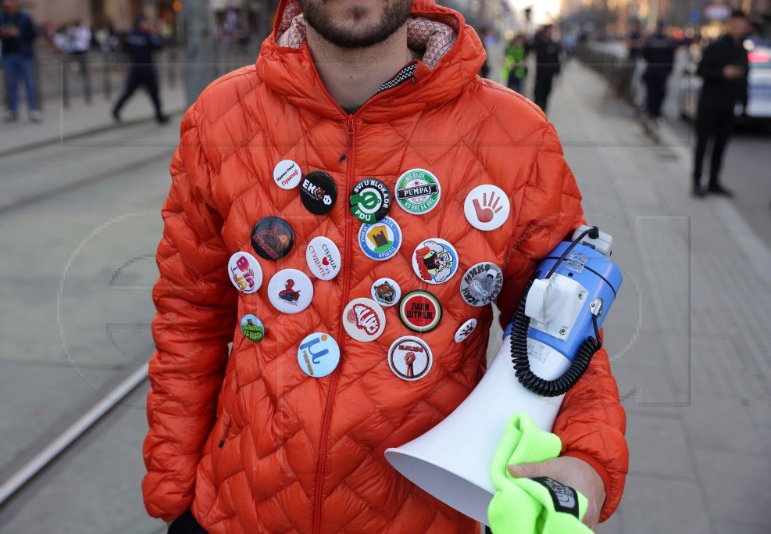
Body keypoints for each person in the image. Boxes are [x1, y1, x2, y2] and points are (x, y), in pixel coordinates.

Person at [142, 0, 628, 532]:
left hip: (423, 511)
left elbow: (564, 323)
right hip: (239, 506)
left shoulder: (517, 136)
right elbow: (189, 314)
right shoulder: (220, 116)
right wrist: (174, 492)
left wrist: (588, 457)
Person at [692, 9, 752, 198]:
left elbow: (744, 80)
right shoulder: (716, 46)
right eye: (735, 25)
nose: (737, 30)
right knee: (703, 144)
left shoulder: (743, 50)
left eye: (741, 27)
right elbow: (701, 70)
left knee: (721, 145)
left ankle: (713, 182)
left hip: (728, 106)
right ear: (729, 25)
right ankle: (697, 182)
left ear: (745, 27)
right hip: (709, 104)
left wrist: (744, 106)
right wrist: (722, 73)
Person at [111, 14, 168, 124]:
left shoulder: (131, 35)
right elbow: (158, 47)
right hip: (146, 70)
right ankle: (160, 117)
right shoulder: (147, 35)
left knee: (128, 92)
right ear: (141, 23)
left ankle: (116, 109)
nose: (148, 24)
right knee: (154, 94)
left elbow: (126, 50)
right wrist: (154, 34)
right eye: (146, 22)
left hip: (135, 69)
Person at [0, 0, 40, 122]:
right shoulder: (2, 17)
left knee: (28, 83)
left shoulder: (25, 18)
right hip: (8, 54)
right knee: (12, 84)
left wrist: (18, 33)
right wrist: (2, 32)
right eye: (5, 6)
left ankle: (33, 110)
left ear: (15, 5)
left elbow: (34, 34)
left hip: (23, 54)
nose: (7, 8)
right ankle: (13, 111)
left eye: (9, 6)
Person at [640, 22, 678, 132]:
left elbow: (644, 55)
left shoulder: (651, 41)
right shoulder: (668, 42)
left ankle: (649, 113)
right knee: (659, 94)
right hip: (662, 74)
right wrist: (669, 71)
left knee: (651, 93)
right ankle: (654, 114)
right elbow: (671, 59)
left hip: (651, 71)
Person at [531, 24, 562, 113]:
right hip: (539, 75)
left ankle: (543, 115)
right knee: (537, 95)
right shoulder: (538, 43)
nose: (550, 34)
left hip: (549, 76)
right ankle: (535, 114)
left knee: (546, 96)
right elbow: (529, 47)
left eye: (552, 32)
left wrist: (558, 74)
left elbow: (557, 60)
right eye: (549, 32)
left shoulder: (554, 45)